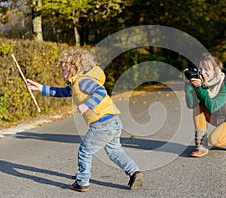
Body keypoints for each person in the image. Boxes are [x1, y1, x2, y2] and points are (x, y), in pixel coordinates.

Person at [27, 49, 143, 192]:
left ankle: (82, 181)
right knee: (114, 151)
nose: (62, 73)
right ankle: (134, 173)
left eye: (64, 70)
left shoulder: (83, 82)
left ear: (73, 69)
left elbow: (101, 92)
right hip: (113, 121)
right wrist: (40, 88)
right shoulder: (75, 84)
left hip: (102, 124)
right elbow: (62, 92)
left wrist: (87, 105)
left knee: (85, 151)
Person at [184, 53, 226, 158]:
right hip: (217, 117)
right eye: (201, 69)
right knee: (198, 107)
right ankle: (201, 146)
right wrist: (188, 85)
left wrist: (199, 88)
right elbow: (191, 104)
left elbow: (212, 106)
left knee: (214, 139)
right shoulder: (202, 83)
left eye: (207, 69)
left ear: (215, 70)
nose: (202, 73)